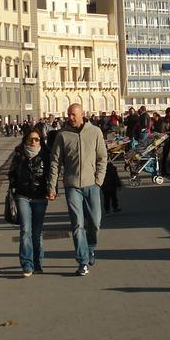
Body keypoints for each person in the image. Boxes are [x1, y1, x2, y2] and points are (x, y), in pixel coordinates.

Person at [47, 103, 107, 276]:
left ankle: (91, 248)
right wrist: (53, 186)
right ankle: (82, 260)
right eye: (69, 115)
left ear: (82, 114)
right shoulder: (62, 135)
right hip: (72, 186)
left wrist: (99, 181)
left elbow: (102, 157)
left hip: (92, 185)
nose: (70, 117)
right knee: (77, 224)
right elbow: (55, 162)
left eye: (73, 114)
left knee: (95, 222)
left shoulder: (95, 132)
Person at [9, 129, 50, 276]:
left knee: (37, 232)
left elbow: (52, 174)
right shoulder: (19, 155)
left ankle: (37, 263)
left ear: (41, 140)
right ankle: (27, 264)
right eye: (31, 139)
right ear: (25, 140)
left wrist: (52, 190)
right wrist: (15, 188)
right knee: (26, 230)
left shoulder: (46, 155)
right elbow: (12, 173)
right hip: (23, 196)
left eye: (37, 139)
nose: (34, 142)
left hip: (40, 197)